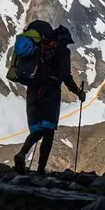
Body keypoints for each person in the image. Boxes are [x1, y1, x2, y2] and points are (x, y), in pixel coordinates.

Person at [13, 21, 86, 175]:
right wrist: (78, 92)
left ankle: (22, 154)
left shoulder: (41, 48)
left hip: (32, 91)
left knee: (37, 129)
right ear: (64, 40)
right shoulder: (62, 52)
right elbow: (66, 76)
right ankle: (40, 169)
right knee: (48, 131)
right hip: (50, 93)